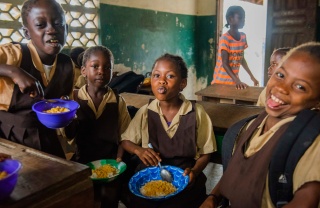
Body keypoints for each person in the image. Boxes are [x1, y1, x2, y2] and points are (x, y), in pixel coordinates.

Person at [200, 42, 320, 208]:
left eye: (300, 86)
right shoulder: (252, 125)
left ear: (317, 102)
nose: (281, 88)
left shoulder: (309, 140)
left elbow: (308, 197)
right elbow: (235, 171)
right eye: (281, 75)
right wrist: (212, 197)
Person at [121, 53, 216, 208]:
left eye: (170, 76)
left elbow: (206, 152)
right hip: (150, 174)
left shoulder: (196, 113)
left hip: (185, 176)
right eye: (156, 75)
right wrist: (139, 151)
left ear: (182, 83)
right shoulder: (145, 112)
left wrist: (195, 171)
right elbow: (125, 141)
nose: (162, 80)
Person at [0, 0, 74, 158]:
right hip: (10, 139)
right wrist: (13, 71)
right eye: (41, 25)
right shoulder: (14, 54)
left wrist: (63, 104)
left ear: (66, 29)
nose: (52, 30)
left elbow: (65, 102)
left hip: (47, 137)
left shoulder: (66, 64)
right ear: (27, 33)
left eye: (58, 23)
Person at [64, 45, 131, 208]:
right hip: (81, 162)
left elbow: (125, 136)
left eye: (107, 67)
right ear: (84, 71)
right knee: (84, 198)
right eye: (95, 66)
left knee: (110, 197)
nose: (101, 71)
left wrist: (119, 159)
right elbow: (69, 134)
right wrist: (68, 113)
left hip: (110, 163)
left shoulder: (117, 100)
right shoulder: (73, 98)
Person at [211, 5, 259, 89]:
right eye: (240, 18)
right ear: (230, 19)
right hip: (220, 82)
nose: (243, 21)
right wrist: (238, 81)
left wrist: (252, 77)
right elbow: (225, 64)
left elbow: (241, 59)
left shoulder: (243, 37)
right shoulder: (225, 39)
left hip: (233, 81)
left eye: (244, 18)